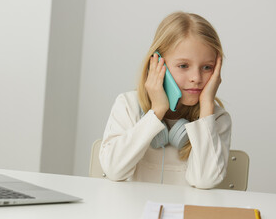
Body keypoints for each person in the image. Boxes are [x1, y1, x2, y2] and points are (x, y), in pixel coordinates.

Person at [99, 11, 232, 189]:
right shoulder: (127, 105)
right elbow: (114, 170)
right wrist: (156, 112)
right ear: (157, 63)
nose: (196, 78)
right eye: (183, 66)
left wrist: (207, 108)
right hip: (133, 212)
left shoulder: (216, 118)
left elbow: (205, 180)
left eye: (207, 67)